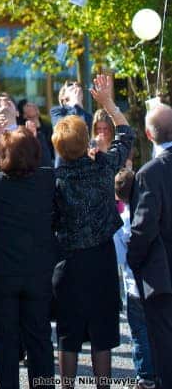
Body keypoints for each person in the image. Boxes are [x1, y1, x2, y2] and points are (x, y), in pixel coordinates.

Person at [51, 74, 134, 387]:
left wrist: (70, 108)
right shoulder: (103, 166)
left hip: (67, 262)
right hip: (100, 260)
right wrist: (107, 102)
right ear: (86, 140)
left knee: (68, 336)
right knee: (102, 335)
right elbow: (126, 132)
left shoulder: (55, 178)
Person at [0, 127, 56, 389]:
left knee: (4, 342)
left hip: (0, 273)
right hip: (38, 270)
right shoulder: (48, 180)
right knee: (39, 338)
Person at [128, 101, 172, 389]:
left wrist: (133, 261)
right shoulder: (150, 171)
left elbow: (143, 229)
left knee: (166, 353)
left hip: (162, 278)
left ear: (147, 134)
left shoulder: (149, 173)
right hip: (161, 276)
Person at [113, 168, 155, 389]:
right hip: (153, 282)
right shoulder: (149, 213)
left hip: (132, 285)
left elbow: (120, 257)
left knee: (139, 334)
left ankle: (145, 376)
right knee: (156, 330)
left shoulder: (122, 221)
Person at [0, 92, 51, 174]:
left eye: (8, 100)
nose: (4, 100)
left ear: (17, 113)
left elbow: (47, 168)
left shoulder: (34, 135)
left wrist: (32, 142)